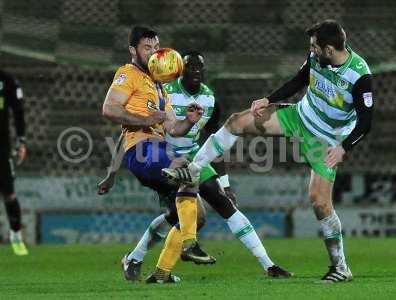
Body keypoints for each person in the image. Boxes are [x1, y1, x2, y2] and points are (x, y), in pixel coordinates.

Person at [163, 19, 374, 283]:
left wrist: (344, 147)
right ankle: (193, 169)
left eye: (315, 46)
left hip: (326, 140)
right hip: (299, 116)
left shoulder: (359, 74)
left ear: (330, 49)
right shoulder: (317, 58)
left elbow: (366, 121)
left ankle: (340, 268)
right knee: (237, 121)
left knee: (320, 202)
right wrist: (268, 99)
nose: (312, 50)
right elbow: (299, 80)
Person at [99, 52, 292, 283]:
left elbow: (215, 141)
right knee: (178, 217)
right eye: (191, 66)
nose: (196, 71)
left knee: (222, 203)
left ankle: (268, 264)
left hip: (194, 156)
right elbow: (128, 132)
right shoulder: (164, 91)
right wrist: (112, 172)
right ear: (181, 69)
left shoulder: (209, 100)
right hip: (164, 158)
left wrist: (225, 182)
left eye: (200, 67)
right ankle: (142, 259)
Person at [102, 26, 213, 284]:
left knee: (195, 216)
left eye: (155, 47)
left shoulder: (160, 87)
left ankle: (148, 265)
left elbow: (173, 127)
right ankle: (189, 245)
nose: (153, 53)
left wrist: (189, 120)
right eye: (146, 47)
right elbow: (109, 109)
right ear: (133, 50)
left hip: (159, 152)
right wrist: (147, 119)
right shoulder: (127, 74)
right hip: (144, 150)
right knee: (187, 168)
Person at [0, 69, 28, 256]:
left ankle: (16, 234)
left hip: (1, 148)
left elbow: (18, 112)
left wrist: (21, 141)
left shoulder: (7, 80)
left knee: (9, 193)